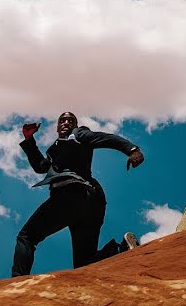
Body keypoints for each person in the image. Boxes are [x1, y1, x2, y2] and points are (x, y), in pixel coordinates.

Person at [11, 111, 145, 277]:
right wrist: (29, 140)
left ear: (75, 125)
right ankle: (121, 249)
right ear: (57, 126)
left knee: (27, 237)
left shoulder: (79, 134)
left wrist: (132, 150)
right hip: (92, 204)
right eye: (62, 120)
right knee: (84, 263)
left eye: (70, 120)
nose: (66, 122)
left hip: (74, 195)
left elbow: (106, 138)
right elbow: (41, 166)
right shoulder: (56, 149)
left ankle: (17, 281)